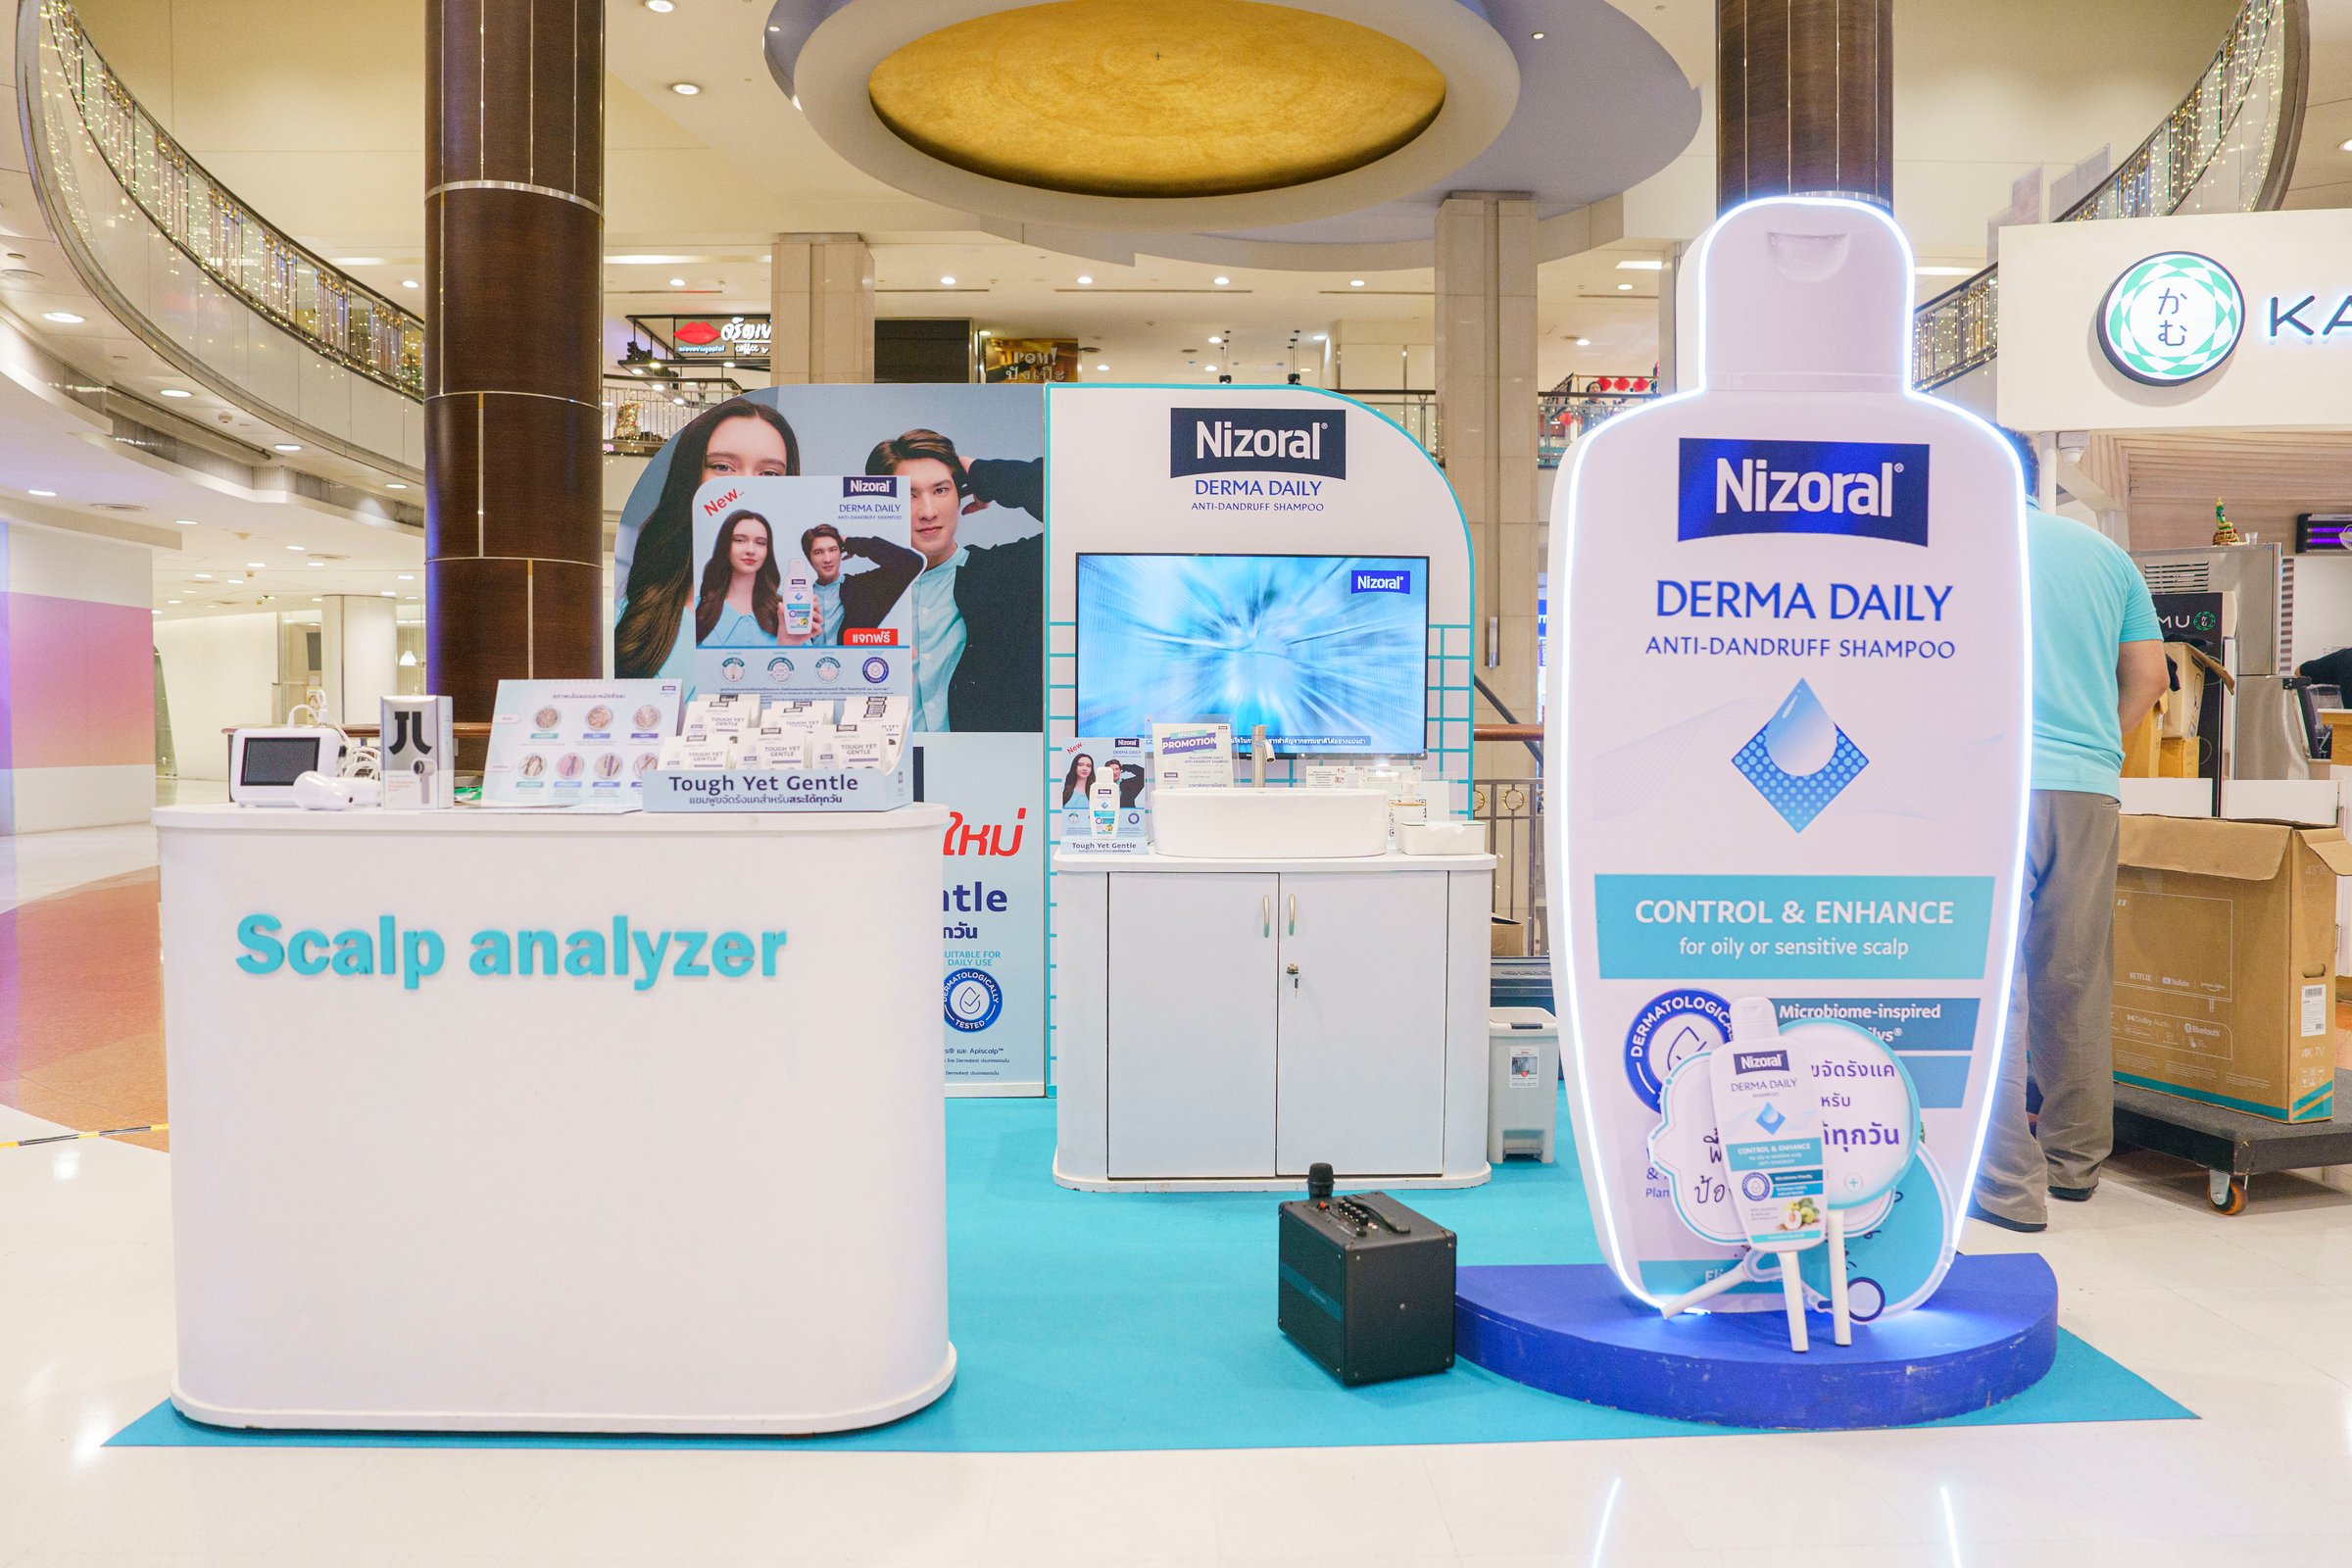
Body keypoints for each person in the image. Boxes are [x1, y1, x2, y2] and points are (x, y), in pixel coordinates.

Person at [1972, 506, 2169, 1234]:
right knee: (2076, 972)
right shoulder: (2106, 554)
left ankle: (2004, 1186)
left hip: (1987, 780)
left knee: (1995, 982)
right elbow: (2149, 677)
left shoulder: (1965, 541)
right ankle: (2075, 1166)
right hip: (2089, 787)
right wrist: (2096, 748)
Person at [864, 428, 1043, 733]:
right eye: (908, 494)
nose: (929, 512)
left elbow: (1082, 513)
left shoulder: (1011, 573)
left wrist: (984, 473)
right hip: (888, 773)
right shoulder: (856, 594)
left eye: (941, 490)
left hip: (987, 774)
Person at [614, 399, 801, 678]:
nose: (745, 486)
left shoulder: (795, 623)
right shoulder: (634, 617)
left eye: (770, 474)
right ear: (690, 475)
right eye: (723, 467)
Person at [693, 511, 821, 649]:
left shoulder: (785, 612)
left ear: (767, 551)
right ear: (725, 546)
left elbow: (805, 668)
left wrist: (787, 646)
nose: (751, 550)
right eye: (739, 540)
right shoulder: (696, 609)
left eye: (760, 543)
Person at [801, 522, 923, 647]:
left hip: (858, 664)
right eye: (818, 552)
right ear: (809, 557)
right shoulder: (798, 599)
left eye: (833, 550)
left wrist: (851, 542)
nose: (827, 559)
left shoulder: (866, 588)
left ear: (840, 552)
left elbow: (912, 563)